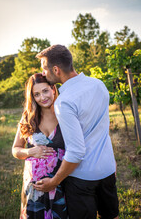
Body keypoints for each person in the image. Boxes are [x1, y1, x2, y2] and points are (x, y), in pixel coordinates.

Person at [34, 45, 119, 219]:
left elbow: (76, 151)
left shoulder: (64, 102)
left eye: (44, 68)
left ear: (56, 70)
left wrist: (54, 182)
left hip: (82, 178)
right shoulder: (99, 84)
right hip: (108, 169)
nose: (43, 74)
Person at [12, 73, 67, 219]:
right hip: (34, 191)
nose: (42, 97)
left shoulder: (65, 114)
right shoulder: (28, 117)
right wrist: (30, 151)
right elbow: (15, 150)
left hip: (61, 184)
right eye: (36, 94)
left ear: (53, 89)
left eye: (45, 91)